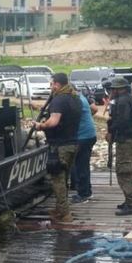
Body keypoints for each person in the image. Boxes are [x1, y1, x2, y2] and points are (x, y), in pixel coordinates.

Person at [33, 73, 81, 223]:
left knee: (58, 179)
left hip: (60, 145)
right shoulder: (75, 98)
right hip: (73, 142)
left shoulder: (59, 100)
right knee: (64, 178)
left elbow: (53, 122)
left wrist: (40, 125)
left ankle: (65, 214)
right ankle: (60, 209)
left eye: (51, 84)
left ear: (57, 84)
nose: (50, 87)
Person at [106, 77, 132, 216]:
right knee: (130, 171)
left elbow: (122, 121)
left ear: (118, 89)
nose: (111, 92)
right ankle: (129, 200)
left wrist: (111, 130)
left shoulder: (121, 101)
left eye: (113, 89)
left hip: (126, 140)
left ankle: (131, 204)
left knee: (125, 172)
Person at [70, 85, 98, 203]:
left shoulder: (77, 101)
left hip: (83, 136)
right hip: (88, 134)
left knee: (80, 165)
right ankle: (86, 190)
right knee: (82, 164)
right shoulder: (81, 97)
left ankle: (84, 193)